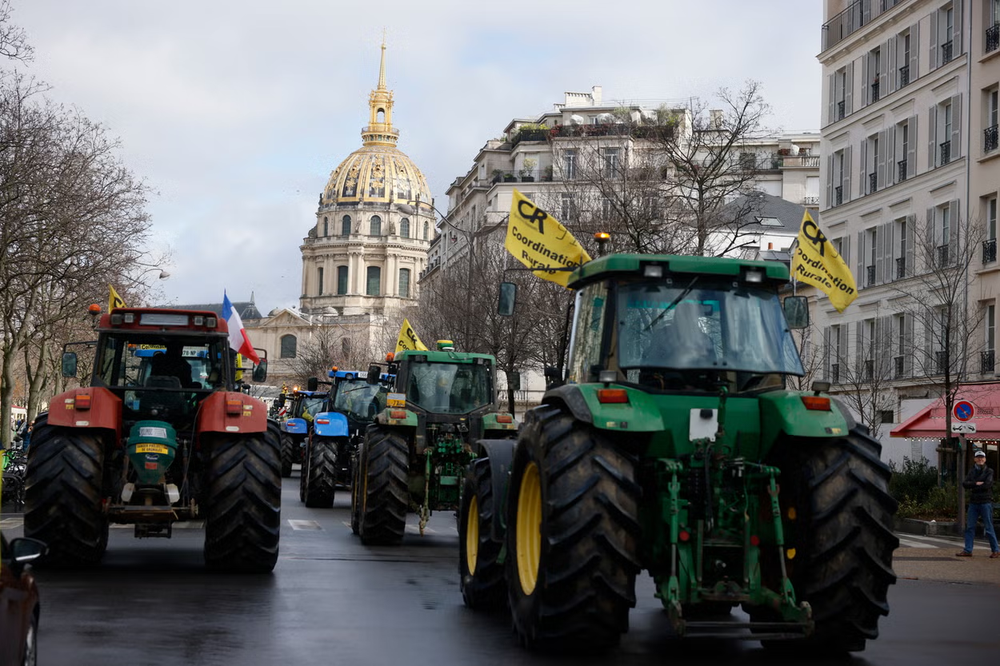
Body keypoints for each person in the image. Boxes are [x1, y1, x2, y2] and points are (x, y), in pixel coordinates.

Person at [955, 449, 999, 559]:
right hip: (974, 502)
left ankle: (996, 550)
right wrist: (977, 483)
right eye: (978, 457)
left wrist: (973, 484)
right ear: (975, 459)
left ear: (985, 459)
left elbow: (987, 484)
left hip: (985, 502)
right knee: (970, 527)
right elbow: (965, 484)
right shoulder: (972, 471)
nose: (980, 459)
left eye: (982, 457)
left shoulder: (989, 471)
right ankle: (968, 550)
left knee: (989, 527)